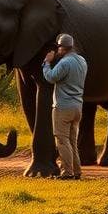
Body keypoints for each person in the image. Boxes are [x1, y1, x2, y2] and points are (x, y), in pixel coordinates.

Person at [43, 34, 88, 180]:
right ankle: (76, 171)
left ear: (63, 48)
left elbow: (51, 77)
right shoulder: (82, 61)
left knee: (62, 140)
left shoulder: (65, 63)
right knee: (72, 141)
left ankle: (67, 172)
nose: (58, 50)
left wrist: (47, 62)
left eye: (59, 47)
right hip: (77, 106)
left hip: (63, 107)